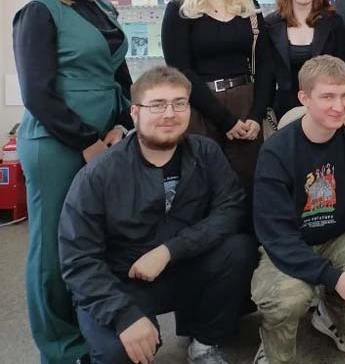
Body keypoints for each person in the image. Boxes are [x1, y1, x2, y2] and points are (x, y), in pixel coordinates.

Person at [59, 67, 255, 364]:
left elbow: (230, 209)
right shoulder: (98, 175)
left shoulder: (206, 152)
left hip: (182, 265)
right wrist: (123, 314)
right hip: (122, 281)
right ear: (135, 113)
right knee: (117, 353)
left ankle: (204, 342)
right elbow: (78, 259)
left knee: (238, 249)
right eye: (158, 105)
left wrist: (169, 251)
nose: (170, 114)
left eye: (179, 103)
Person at [13, 0, 132, 364]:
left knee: (93, 239)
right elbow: (37, 94)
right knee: (53, 247)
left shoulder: (101, 8)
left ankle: (91, 329)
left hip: (104, 138)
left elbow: (119, 76)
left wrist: (121, 124)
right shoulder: (39, 13)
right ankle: (60, 348)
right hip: (56, 143)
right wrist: (87, 142)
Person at [251, 55, 345, 364]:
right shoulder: (277, 151)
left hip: (338, 238)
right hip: (291, 243)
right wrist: (334, 278)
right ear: (304, 98)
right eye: (327, 96)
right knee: (286, 299)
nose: (339, 106)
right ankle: (275, 350)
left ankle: (333, 316)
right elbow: (275, 234)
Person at [161, 0, 273, 201]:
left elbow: (266, 64)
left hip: (245, 107)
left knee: (247, 188)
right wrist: (225, 120)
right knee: (202, 189)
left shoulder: (249, 7)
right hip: (201, 108)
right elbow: (180, 72)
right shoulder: (180, 10)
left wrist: (256, 115)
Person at [266, 0, 345, 120]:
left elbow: (342, 69)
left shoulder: (333, 22)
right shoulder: (270, 24)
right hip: (283, 109)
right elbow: (266, 74)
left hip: (325, 107)